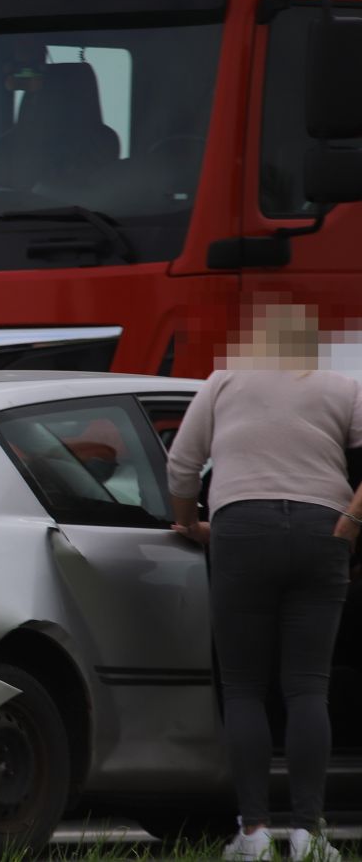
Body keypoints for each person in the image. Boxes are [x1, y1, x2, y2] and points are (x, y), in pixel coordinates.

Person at [166, 298, 362, 862]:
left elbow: (182, 464)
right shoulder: (342, 387)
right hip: (321, 528)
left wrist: (188, 523)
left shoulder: (223, 382)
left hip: (241, 528)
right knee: (307, 686)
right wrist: (351, 525)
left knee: (244, 688)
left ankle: (252, 834)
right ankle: (309, 834)